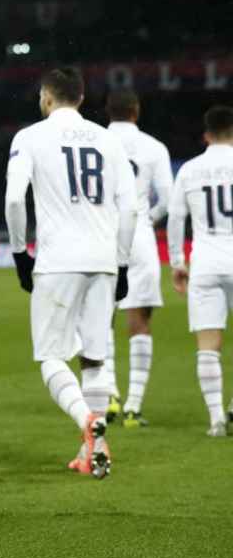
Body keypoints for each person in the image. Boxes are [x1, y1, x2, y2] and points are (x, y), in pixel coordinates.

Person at [4, 66, 136, 479]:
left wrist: (19, 252)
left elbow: (13, 200)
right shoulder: (108, 140)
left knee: (50, 355)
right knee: (94, 357)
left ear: (46, 97)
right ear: (81, 98)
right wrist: (122, 260)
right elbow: (129, 208)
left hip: (58, 259)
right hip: (102, 259)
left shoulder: (30, 137)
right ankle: (94, 450)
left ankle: (87, 420)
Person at [104, 89, 174, 427]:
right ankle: (133, 405)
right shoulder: (154, 147)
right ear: (137, 110)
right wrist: (147, 218)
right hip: (140, 237)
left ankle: (109, 395)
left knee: (100, 318)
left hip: (103, 235)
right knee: (139, 318)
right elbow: (169, 200)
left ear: (108, 111)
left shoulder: (97, 140)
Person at [166, 105, 233, 437]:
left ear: (206, 135)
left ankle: (216, 419)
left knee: (208, 342)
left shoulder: (190, 170)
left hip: (205, 262)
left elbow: (176, 218)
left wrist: (178, 261)